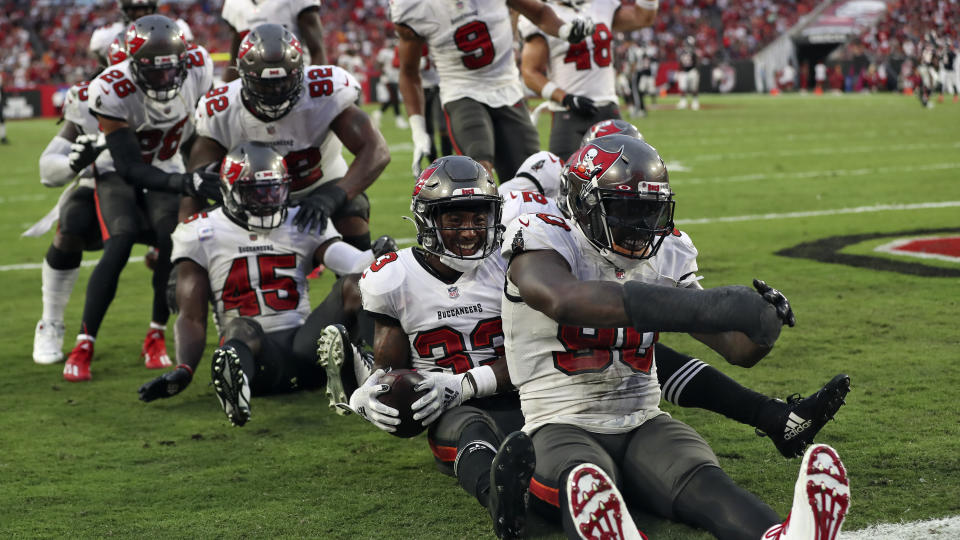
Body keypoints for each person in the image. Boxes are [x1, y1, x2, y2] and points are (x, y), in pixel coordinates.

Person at [500, 134, 850, 539]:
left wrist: (763, 329)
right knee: (586, 482)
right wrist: (706, 306)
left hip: (643, 418)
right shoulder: (543, 238)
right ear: (582, 203)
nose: (639, 226)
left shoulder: (666, 251)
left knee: (704, 482)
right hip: (558, 421)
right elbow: (564, 300)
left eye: (649, 211)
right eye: (625, 209)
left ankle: (782, 535)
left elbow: (735, 349)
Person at [137, 142, 384, 426]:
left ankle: (384, 372)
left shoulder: (299, 219)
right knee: (241, 327)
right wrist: (185, 368)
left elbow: (350, 264)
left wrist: (374, 257)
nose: (268, 200)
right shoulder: (200, 231)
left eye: (274, 190)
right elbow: (191, 315)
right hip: (257, 359)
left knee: (357, 284)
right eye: (256, 192)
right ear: (229, 190)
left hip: (308, 347)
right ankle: (235, 383)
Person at [63, 15, 216, 382]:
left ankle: (155, 335)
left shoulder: (199, 65)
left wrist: (196, 173)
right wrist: (185, 182)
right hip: (117, 170)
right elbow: (130, 167)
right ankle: (84, 343)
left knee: (170, 239)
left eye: (170, 69)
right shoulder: (111, 87)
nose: (164, 78)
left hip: (166, 164)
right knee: (121, 239)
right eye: (153, 70)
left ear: (183, 60)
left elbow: (203, 130)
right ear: (131, 65)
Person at [189, 24, 389, 253]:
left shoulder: (324, 91)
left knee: (352, 209)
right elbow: (197, 180)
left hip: (321, 186)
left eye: (283, 82)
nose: (276, 93)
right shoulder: (221, 109)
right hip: (254, 198)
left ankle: (358, 281)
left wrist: (333, 196)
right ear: (242, 77)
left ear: (300, 73)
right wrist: (189, 237)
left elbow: (377, 150)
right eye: (265, 85)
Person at [391, 0, 595, 179]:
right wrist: (418, 131)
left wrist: (564, 30)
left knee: (531, 175)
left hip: (507, 88)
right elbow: (409, 72)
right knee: (480, 171)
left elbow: (539, 13)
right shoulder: (415, 7)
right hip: (462, 91)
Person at [518, 0, 657, 160]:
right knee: (566, 179)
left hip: (608, 108)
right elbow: (530, 73)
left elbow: (643, 18)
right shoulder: (543, 14)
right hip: (569, 114)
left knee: (624, 176)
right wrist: (565, 98)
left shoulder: (603, 4)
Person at [220, 0, 326, 82]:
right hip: (255, 87)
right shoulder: (234, 4)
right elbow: (235, 61)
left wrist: (312, 86)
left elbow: (318, 51)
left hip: (296, 80)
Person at [89, 0, 194, 68]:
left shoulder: (175, 27)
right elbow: (104, 66)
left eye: (145, 9)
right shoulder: (107, 34)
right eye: (134, 10)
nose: (140, 14)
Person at [372, 41, 407, 130]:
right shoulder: (384, 52)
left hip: (396, 78)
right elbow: (378, 64)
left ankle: (378, 113)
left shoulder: (399, 52)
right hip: (388, 78)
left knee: (393, 98)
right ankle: (398, 118)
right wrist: (383, 72)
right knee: (394, 97)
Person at [676, 35, 700, 110]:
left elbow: (697, 61)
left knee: (694, 88)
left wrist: (696, 70)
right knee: (683, 88)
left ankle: (695, 102)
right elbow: (680, 62)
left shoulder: (694, 51)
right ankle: (683, 102)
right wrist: (679, 70)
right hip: (684, 71)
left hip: (692, 70)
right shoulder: (682, 51)